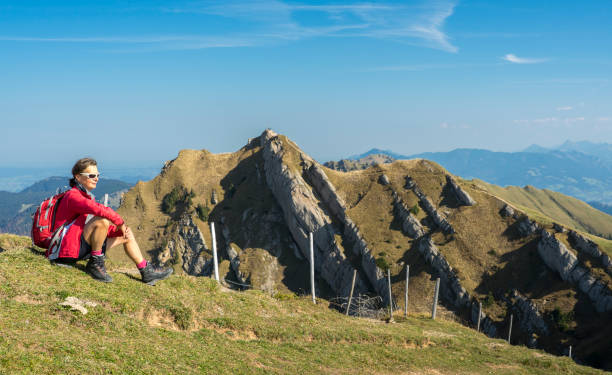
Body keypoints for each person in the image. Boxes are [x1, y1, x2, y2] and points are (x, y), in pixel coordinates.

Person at [48, 157, 173, 285]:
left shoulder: (83, 196)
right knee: (102, 219)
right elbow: (99, 210)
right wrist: (120, 223)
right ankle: (95, 263)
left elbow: (91, 228)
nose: (96, 178)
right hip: (63, 252)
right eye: (91, 175)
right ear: (78, 177)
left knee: (126, 235)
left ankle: (146, 271)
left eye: (97, 175)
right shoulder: (73, 196)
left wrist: (119, 231)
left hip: (75, 248)